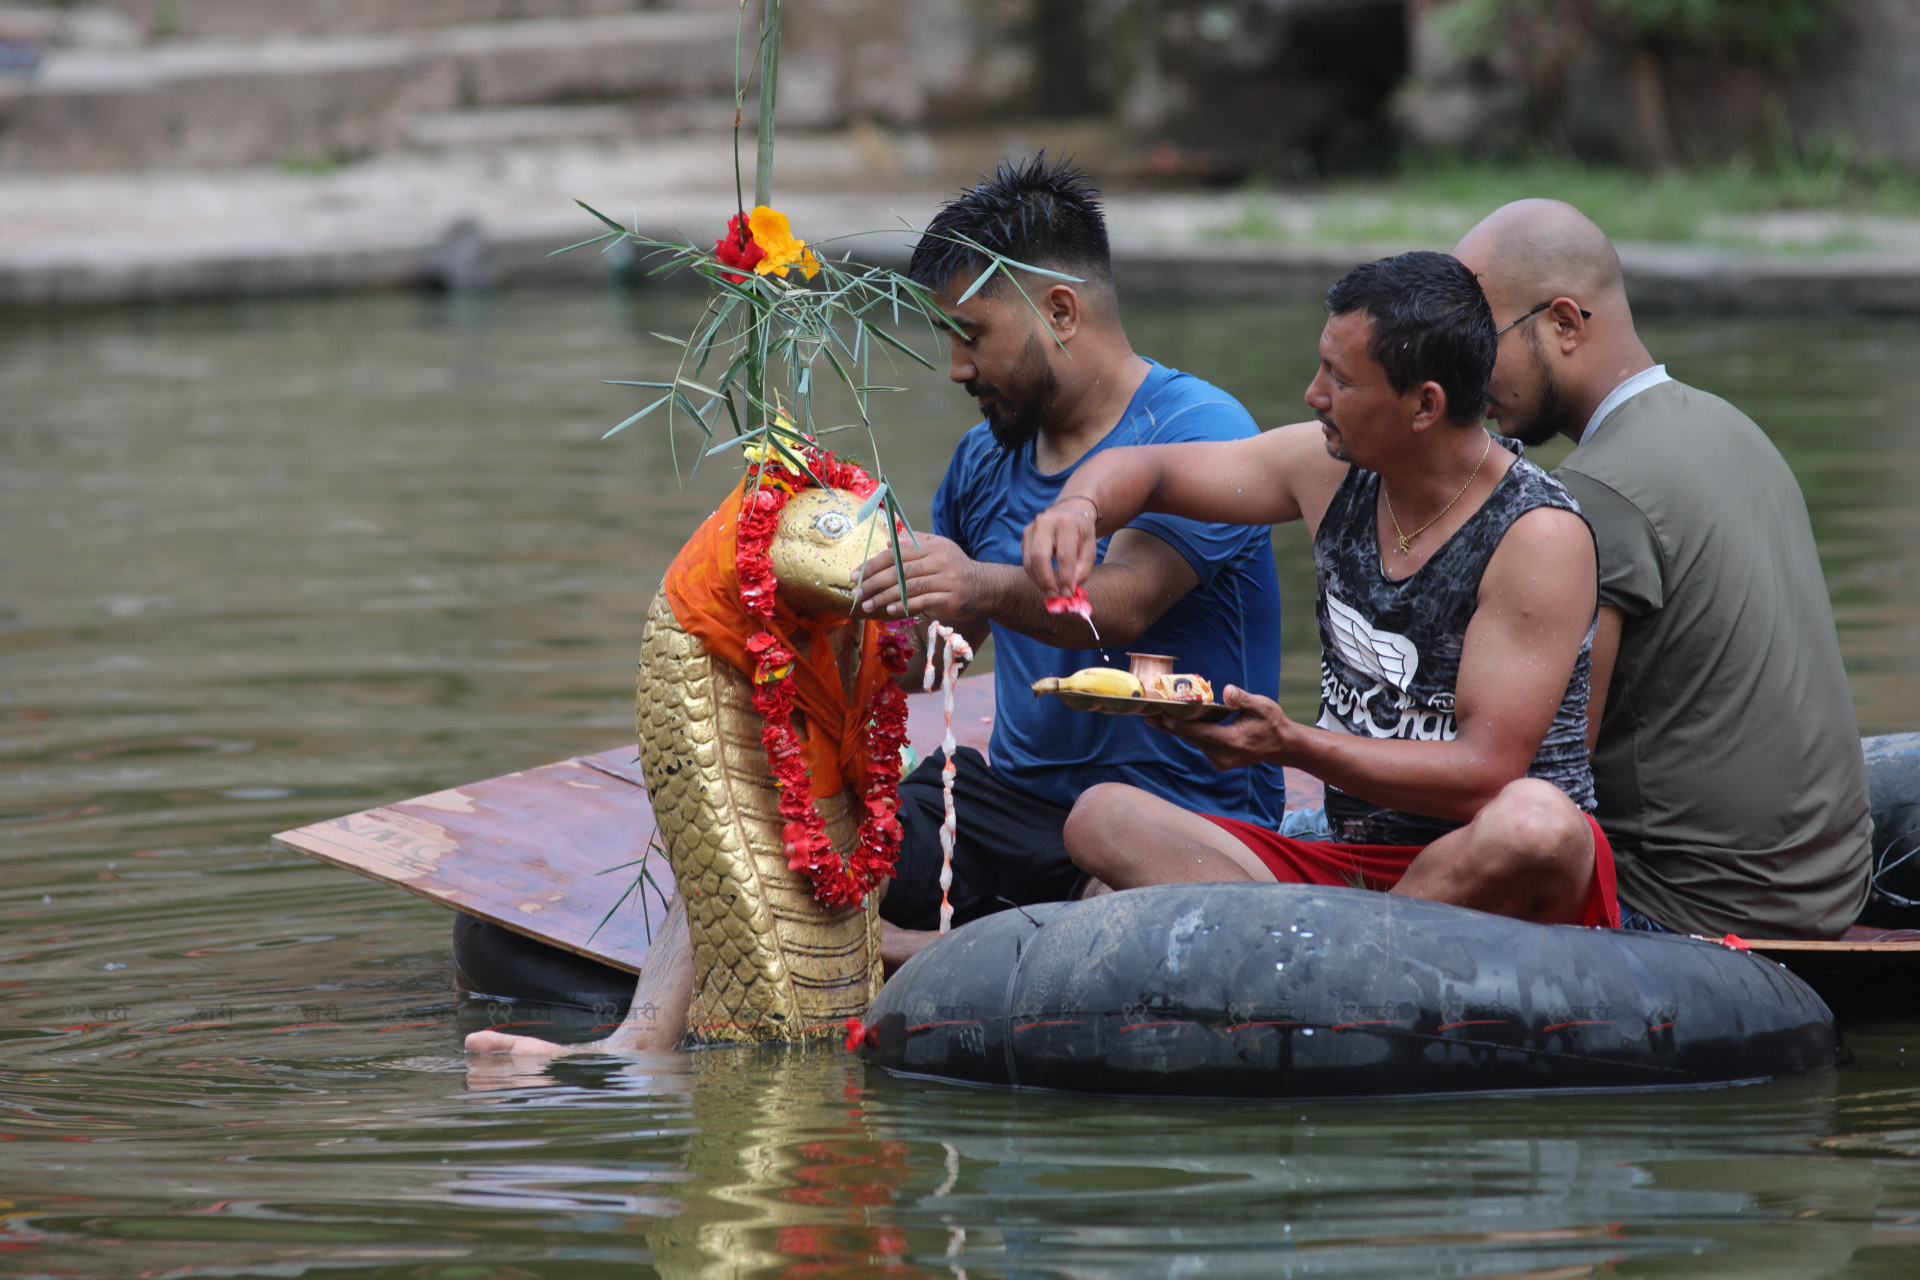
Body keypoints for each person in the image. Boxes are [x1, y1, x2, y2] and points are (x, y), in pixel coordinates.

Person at [1023, 250, 1620, 928]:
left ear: (1425, 404)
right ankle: (1317, 949)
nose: (1314, 394)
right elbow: (1152, 469)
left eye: (1339, 378)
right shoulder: (1330, 467)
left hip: (1487, 868)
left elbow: (1486, 774)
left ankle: (1312, 950)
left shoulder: (1538, 536)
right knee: (1102, 818)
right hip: (1349, 867)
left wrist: (1289, 744)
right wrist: (1078, 510)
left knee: (1536, 822)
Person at [852, 155, 1288, 967]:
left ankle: (909, 952)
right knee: (800, 822)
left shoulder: (1201, 429)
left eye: (972, 335)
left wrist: (971, 578)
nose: (957, 369)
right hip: (1010, 806)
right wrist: (844, 612)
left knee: (1118, 917)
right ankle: (639, 1044)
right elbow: (929, 668)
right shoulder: (982, 459)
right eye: (947, 338)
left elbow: (1118, 606)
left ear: (1060, 310)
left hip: (1172, 816)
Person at [1451, 199, 1871, 939]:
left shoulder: (1595, 495)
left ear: (1566, 324)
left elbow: (1551, 768)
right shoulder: (1729, 425)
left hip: (1692, 910)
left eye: (1479, 342)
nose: (1464, 375)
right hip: (1827, 887)